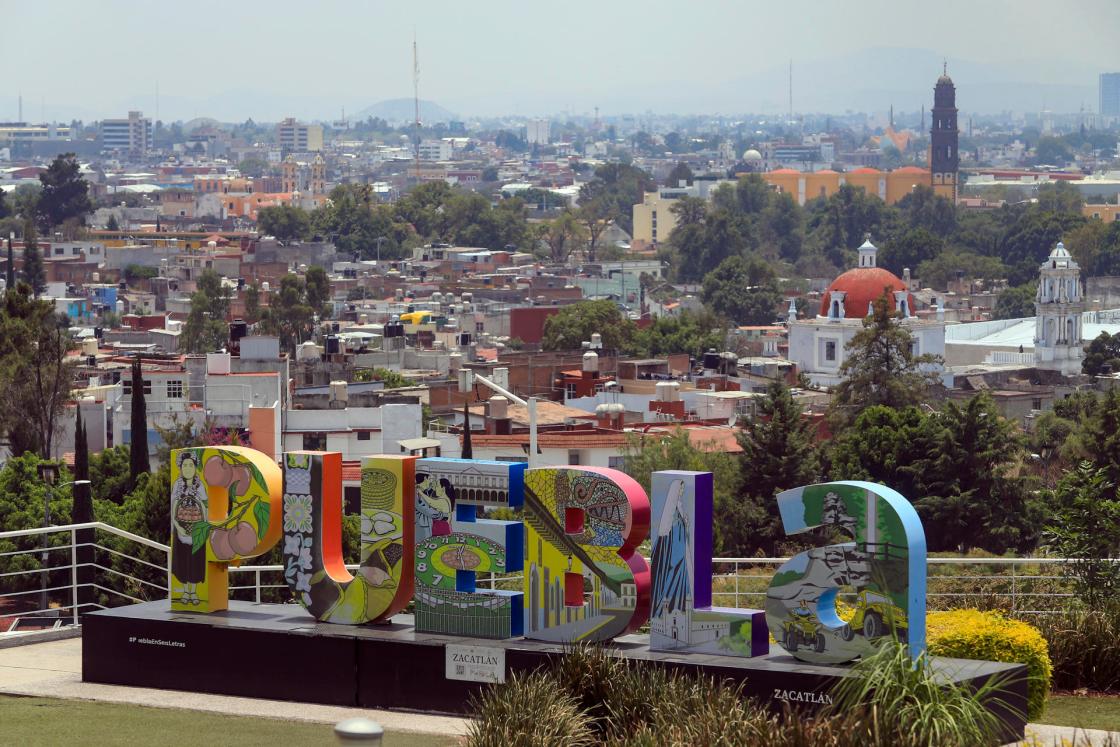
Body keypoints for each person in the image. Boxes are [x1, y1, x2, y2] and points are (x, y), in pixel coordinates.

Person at [171, 451, 206, 605]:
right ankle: (185, 591)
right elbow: (173, 507)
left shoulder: (200, 486)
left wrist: (202, 526)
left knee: (196, 560)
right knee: (183, 560)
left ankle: (194, 592)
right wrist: (178, 526)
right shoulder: (177, 485)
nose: (187, 468)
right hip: (180, 528)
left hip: (197, 528)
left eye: (190, 465)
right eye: (184, 465)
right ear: (180, 467)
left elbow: (205, 507)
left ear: (195, 467)